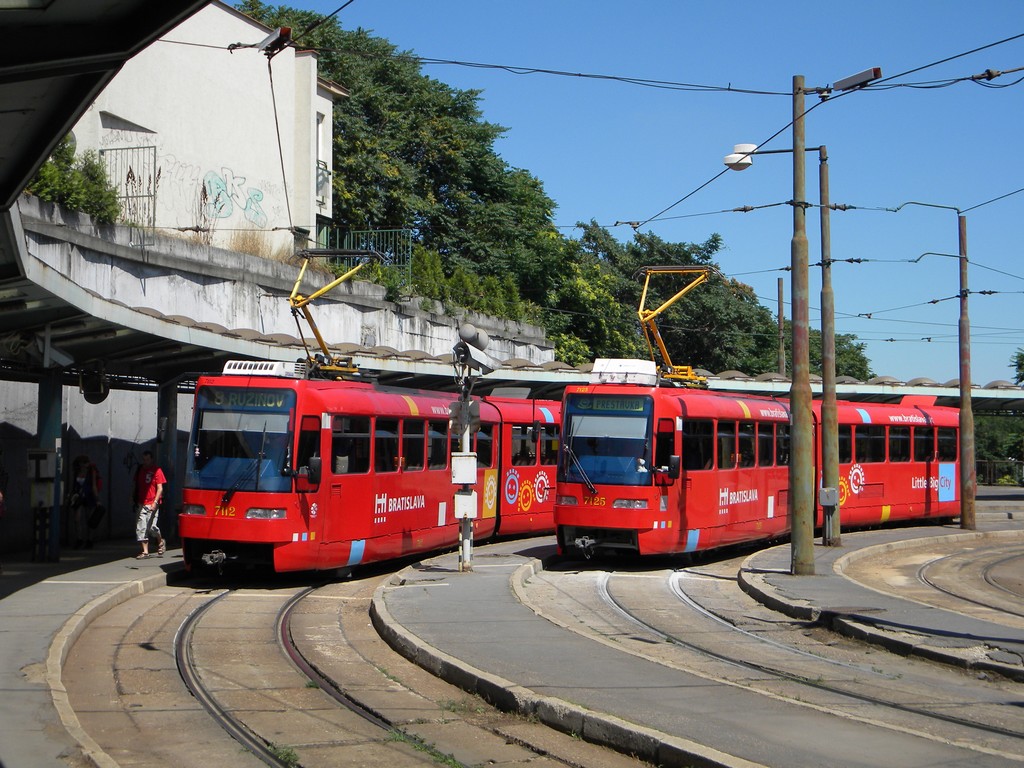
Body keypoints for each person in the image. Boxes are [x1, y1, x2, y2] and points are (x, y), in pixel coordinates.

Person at [133, 451, 166, 559]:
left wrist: (155, 502)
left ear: (151, 459)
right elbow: (135, 485)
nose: (145, 462)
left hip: (153, 503)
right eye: (144, 459)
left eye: (147, 459)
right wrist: (132, 498)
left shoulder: (157, 470)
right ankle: (145, 551)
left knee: (152, 527)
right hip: (142, 502)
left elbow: (160, 488)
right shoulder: (140, 470)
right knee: (141, 527)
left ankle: (160, 541)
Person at [68, 455, 99, 549]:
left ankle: (89, 540)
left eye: (86, 464)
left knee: (89, 519)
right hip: (78, 497)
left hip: (89, 496)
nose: (85, 466)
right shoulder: (76, 471)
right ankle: (79, 539)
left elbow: (94, 485)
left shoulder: (91, 471)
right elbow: (74, 485)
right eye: (83, 464)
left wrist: (97, 499)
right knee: (77, 519)